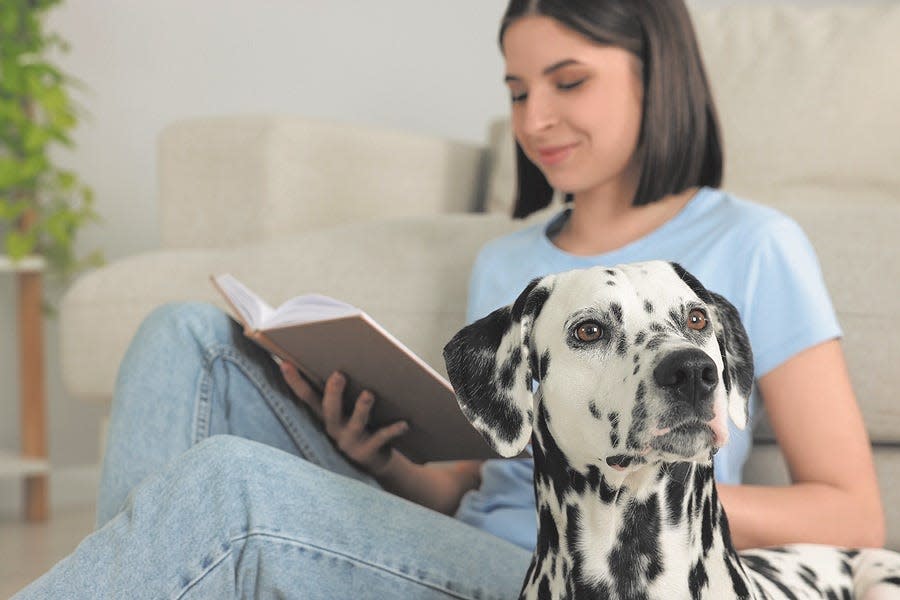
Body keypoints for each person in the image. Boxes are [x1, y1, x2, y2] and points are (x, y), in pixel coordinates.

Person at [15, 0, 884, 597]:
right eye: (516, 92)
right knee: (184, 335)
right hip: (460, 544)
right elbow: (481, 480)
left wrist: (625, 487)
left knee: (233, 488)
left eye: (567, 81)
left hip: (573, 571)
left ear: (656, 74)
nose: (535, 119)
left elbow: (853, 509)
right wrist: (384, 460)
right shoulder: (513, 264)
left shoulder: (753, 245)